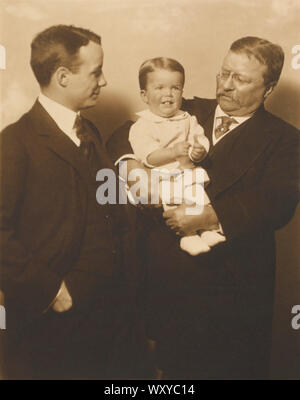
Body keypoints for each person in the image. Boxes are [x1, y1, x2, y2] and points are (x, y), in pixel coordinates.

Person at [107, 36, 300, 379]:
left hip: (234, 290)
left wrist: (212, 217)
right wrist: (130, 164)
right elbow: (124, 132)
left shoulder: (286, 139)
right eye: (224, 73)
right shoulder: (187, 108)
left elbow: (279, 201)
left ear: (268, 88)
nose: (225, 85)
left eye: (240, 79)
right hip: (167, 278)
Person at [0, 25, 147, 379]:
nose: (105, 81)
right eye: (96, 72)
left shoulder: (90, 132)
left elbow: (108, 209)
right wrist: (51, 291)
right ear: (62, 76)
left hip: (109, 312)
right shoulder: (14, 143)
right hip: (54, 321)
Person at [129, 57, 225, 255]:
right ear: (144, 95)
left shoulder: (188, 118)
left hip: (187, 171)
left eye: (175, 87)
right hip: (164, 175)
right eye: (160, 88)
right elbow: (147, 156)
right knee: (175, 205)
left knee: (197, 198)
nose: (168, 94)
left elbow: (198, 138)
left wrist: (198, 151)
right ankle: (187, 237)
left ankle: (207, 231)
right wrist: (172, 152)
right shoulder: (142, 125)